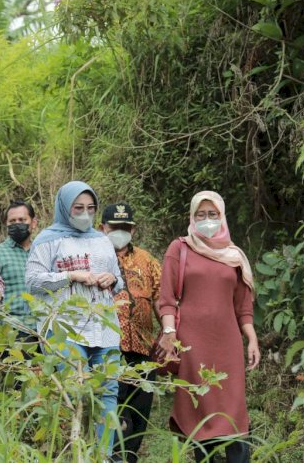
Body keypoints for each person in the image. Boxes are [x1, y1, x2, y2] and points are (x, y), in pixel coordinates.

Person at [156, 191, 260, 463]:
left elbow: (243, 307)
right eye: (200, 215)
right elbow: (166, 300)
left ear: (222, 216)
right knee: (199, 410)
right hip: (192, 346)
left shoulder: (234, 256)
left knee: (234, 412)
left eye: (212, 214)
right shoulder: (179, 249)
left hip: (228, 347)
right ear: (191, 217)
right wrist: (169, 334)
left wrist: (252, 339)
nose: (206, 220)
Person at [25, 180, 124, 455]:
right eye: (78, 208)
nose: (85, 214)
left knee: (107, 396)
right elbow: (32, 282)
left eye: (90, 208)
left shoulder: (102, 240)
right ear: (64, 208)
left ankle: (102, 456)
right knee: (74, 396)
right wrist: (70, 276)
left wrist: (112, 278)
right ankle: (75, 453)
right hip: (65, 330)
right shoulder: (48, 239)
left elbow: (119, 283)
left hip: (104, 329)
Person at [100, 203, 162, 463]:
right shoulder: (94, 257)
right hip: (106, 350)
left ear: (133, 229)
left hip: (143, 350)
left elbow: (161, 298)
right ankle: (109, 457)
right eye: (114, 226)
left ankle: (130, 457)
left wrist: (169, 333)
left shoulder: (147, 260)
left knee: (138, 413)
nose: (120, 231)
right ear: (103, 228)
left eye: (125, 227)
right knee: (112, 410)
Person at [0, 200, 39, 333]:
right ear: (6, 225)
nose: (17, 224)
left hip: (43, 329)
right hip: (12, 330)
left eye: (22, 220)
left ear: (33, 223)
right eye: (12, 221)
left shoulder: (42, 252)